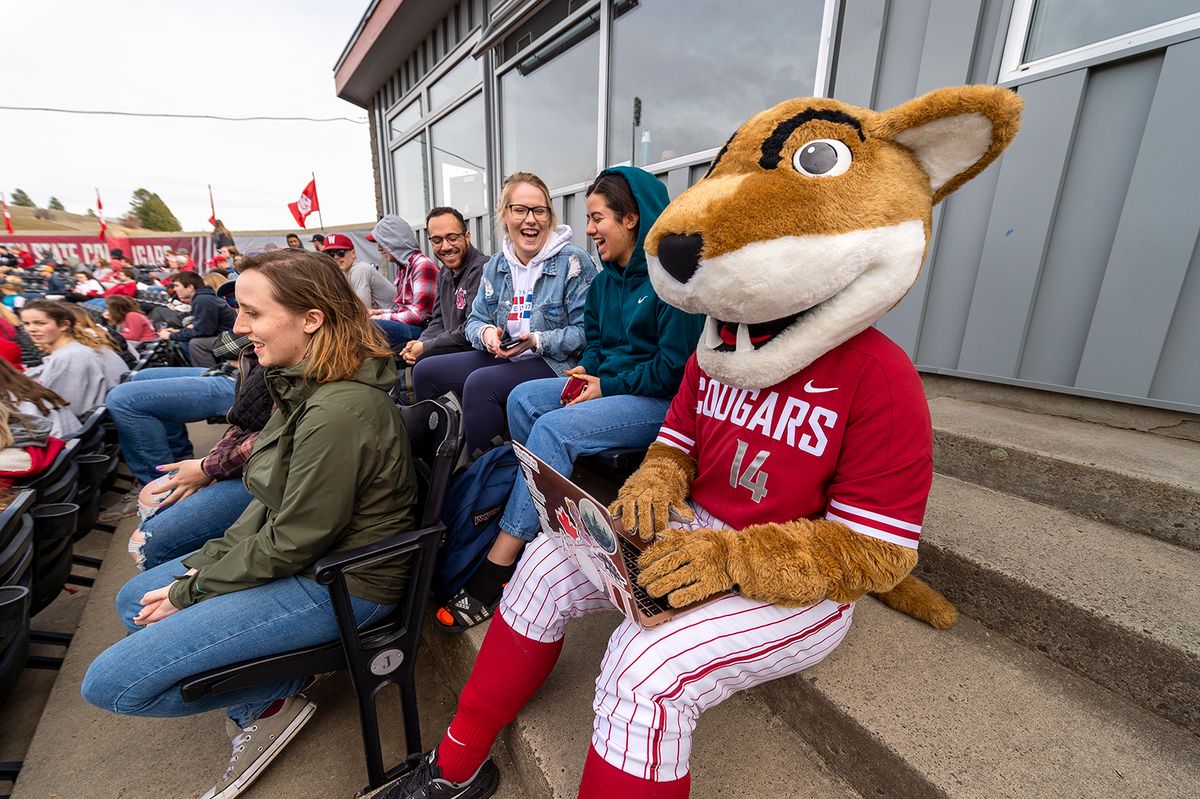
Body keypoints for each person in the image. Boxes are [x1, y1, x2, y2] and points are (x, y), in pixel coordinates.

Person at [81, 249, 418, 799]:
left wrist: (193, 589)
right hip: (309, 559)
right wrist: (204, 565)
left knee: (112, 686)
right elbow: (268, 506)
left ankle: (270, 698)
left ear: (311, 319)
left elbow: (295, 539)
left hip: (343, 583)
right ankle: (273, 689)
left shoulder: (338, 409)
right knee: (133, 601)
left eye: (253, 313)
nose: (237, 327)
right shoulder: (302, 383)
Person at [434, 167, 703, 629]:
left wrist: (605, 385)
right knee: (521, 398)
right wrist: (585, 372)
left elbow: (674, 371)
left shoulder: (671, 285)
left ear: (632, 219)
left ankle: (500, 563)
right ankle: (543, 513)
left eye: (598, 218)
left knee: (551, 428)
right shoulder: (603, 283)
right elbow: (595, 347)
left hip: (661, 402)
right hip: (612, 386)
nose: (590, 229)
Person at [413, 172, 595, 456]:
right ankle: (434, 469)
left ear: (549, 216)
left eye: (539, 210)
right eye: (520, 210)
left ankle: (487, 482)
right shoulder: (497, 266)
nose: (530, 219)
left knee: (481, 384)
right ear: (505, 215)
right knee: (425, 370)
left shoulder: (572, 261)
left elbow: (586, 333)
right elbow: (475, 320)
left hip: (554, 361)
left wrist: (535, 340)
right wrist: (488, 335)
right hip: (504, 355)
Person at [127, 348, 269, 571]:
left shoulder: (308, 369)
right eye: (239, 311)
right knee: (151, 497)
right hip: (257, 461)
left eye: (253, 313)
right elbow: (243, 424)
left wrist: (209, 469)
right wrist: (212, 463)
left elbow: (278, 438)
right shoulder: (262, 358)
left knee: (145, 545)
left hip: (273, 473)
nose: (240, 325)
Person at [399, 207, 487, 367]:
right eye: (437, 240)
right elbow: (438, 320)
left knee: (425, 366)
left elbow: (471, 329)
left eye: (452, 238)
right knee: (405, 355)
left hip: (477, 351)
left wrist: (425, 347)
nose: (445, 246)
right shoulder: (444, 273)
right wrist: (420, 343)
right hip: (453, 347)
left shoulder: (482, 268)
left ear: (467, 236)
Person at [19, 300, 126, 417]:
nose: (31, 329)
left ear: (64, 325)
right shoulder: (70, 352)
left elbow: (68, 408)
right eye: (26, 324)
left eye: (40, 323)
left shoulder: (70, 356)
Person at [367, 215, 438, 350]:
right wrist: (376, 312)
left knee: (367, 326)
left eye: (382, 243)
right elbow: (403, 310)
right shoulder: (404, 267)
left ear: (394, 241)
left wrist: (379, 317)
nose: (379, 249)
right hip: (412, 326)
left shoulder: (422, 265)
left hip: (424, 330)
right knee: (362, 324)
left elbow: (418, 316)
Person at [158, 271, 237, 368]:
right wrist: (179, 332)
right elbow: (204, 328)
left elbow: (203, 331)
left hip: (234, 339)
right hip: (227, 335)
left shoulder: (202, 300)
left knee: (197, 344)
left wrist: (171, 335)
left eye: (177, 286)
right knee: (189, 340)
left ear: (190, 287)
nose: (174, 289)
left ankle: (209, 375)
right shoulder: (204, 297)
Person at [0, 357, 81, 438]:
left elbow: (30, 440)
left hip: (58, 444)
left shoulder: (19, 402)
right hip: (69, 442)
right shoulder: (25, 388)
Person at [323, 233, 393, 309]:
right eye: (330, 254)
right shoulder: (347, 271)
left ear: (353, 253)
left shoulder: (359, 270)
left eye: (340, 252)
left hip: (396, 316)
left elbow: (363, 310)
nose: (336, 257)